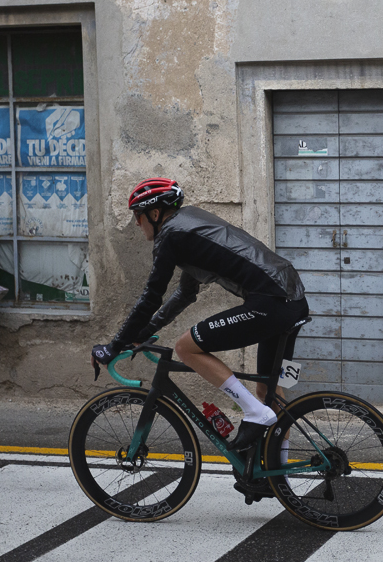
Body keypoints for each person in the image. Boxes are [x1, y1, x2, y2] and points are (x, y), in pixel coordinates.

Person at [91, 178, 309, 453]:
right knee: (270, 392)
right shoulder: (190, 224)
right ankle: (282, 477)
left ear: (154, 214)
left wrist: (114, 346)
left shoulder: (170, 235)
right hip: (294, 300)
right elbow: (185, 293)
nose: (137, 224)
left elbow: (151, 296)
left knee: (185, 347)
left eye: (138, 216)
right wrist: (145, 331)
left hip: (271, 302)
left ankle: (255, 414)